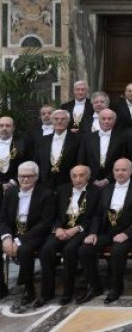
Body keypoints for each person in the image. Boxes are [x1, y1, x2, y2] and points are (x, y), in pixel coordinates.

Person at [77, 158, 132, 304]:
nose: (120, 173)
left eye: (124, 170)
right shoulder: (106, 189)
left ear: (131, 171)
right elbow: (97, 215)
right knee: (85, 249)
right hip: (107, 231)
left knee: (117, 251)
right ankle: (94, 286)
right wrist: (93, 233)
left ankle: (116, 288)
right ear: (113, 172)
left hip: (129, 233)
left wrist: (126, 233)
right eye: (117, 170)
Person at [36, 165, 100, 307]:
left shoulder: (95, 192)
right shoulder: (62, 189)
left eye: (81, 175)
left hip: (81, 230)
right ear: (70, 177)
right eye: (74, 176)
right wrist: (58, 228)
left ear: (88, 177)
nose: (78, 179)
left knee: (69, 251)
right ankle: (46, 293)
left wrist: (76, 229)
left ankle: (68, 292)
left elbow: (95, 216)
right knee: (46, 250)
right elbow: (55, 213)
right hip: (61, 229)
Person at [0, 161, 54, 305]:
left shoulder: (46, 193)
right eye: (21, 176)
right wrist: (6, 237)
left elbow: (45, 223)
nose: (25, 179)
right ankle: (1, 288)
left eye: (29, 176)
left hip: (35, 234)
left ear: (36, 176)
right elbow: (3, 219)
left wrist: (18, 241)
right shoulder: (10, 192)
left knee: (24, 250)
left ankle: (28, 289)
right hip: (14, 232)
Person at [77, 108, 128, 187]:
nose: (106, 121)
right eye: (103, 119)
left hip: (113, 183)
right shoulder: (87, 138)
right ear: (98, 120)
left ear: (114, 121)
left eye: (109, 119)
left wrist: (108, 180)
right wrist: (92, 180)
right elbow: (81, 161)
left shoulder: (122, 139)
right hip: (90, 183)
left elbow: (123, 161)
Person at [36, 109, 81, 190]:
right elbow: (37, 162)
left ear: (68, 121)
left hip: (68, 184)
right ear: (52, 121)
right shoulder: (42, 141)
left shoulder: (78, 140)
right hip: (45, 186)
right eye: (56, 119)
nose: (59, 121)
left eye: (63, 119)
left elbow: (80, 162)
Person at [0, 116, 31, 190]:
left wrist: (13, 182)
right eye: (1, 125)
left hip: (15, 187)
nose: (4, 128)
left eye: (8, 126)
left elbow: (27, 164)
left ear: (13, 128)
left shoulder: (23, 144)